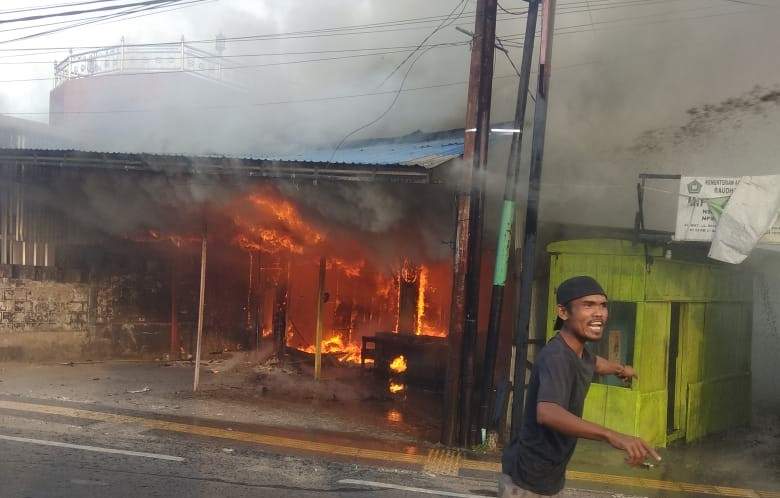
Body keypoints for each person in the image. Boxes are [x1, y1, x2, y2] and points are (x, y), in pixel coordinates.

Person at [500, 275, 661, 497]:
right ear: (563, 312)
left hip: (548, 477)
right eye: (588, 305)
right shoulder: (556, 357)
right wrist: (613, 436)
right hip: (526, 483)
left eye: (603, 305)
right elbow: (547, 412)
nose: (599, 313)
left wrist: (621, 369)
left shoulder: (579, 353)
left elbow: (595, 364)